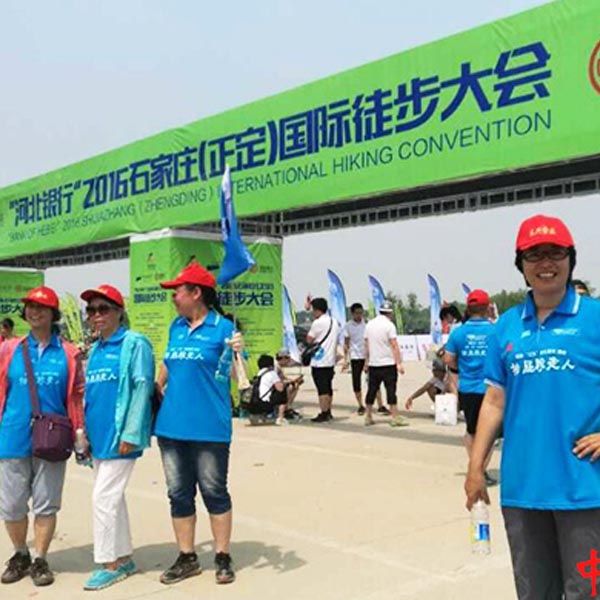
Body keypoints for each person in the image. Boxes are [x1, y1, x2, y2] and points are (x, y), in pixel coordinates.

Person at [465, 214, 600, 599]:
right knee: (534, 592)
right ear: (521, 265)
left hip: (585, 487)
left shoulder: (594, 318)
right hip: (523, 488)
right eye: (534, 255)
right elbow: (494, 402)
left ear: (571, 259)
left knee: (588, 591)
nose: (546, 263)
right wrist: (475, 468)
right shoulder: (507, 326)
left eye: (555, 253)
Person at [154, 262, 243, 586]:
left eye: (177, 291)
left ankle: (222, 556)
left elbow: (238, 377)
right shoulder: (176, 327)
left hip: (209, 428)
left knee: (214, 492)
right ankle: (187, 556)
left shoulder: (224, 329)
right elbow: (168, 362)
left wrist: (237, 353)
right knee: (178, 494)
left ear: (196, 293)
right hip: (171, 427)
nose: (173, 297)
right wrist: (157, 385)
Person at [0, 286, 84, 587]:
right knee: (11, 505)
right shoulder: (9, 350)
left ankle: (40, 559)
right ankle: (20, 553)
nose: (34, 312)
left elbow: (75, 396)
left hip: (52, 438)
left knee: (46, 503)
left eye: (41, 307)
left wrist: (79, 432)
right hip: (12, 436)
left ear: (53, 313)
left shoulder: (69, 353)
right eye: (30, 307)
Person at [80, 285, 155, 591]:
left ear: (119, 312)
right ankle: (124, 558)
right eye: (91, 310)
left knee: (103, 498)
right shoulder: (96, 348)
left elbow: (142, 387)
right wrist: (85, 435)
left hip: (120, 436)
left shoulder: (134, 343)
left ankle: (108, 563)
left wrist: (132, 432)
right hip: (98, 437)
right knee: (113, 498)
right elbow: (91, 395)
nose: (96, 315)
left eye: (103, 309)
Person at [444, 289, 496, 486]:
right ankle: (480, 470)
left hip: (468, 388)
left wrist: (459, 370)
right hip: (492, 390)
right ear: (488, 308)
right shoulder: (496, 331)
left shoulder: (458, 333)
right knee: (491, 433)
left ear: (468, 309)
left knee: (472, 431)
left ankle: (475, 467)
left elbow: (449, 359)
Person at [363, 301, 407, 427]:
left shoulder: (369, 324)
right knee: (391, 390)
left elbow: (366, 345)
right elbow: (394, 345)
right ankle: (394, 417)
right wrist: (399, 363)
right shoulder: (389, 325)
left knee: (371, 390)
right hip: (388, 363)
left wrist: (366, 362)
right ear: (390, 313)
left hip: (374, 364)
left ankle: (368, 416)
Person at [342, 303, 389, 416]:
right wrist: (345, 359)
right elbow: (346, 343)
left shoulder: (367, 324)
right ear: (352, 313)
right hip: (355, 357)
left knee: (374, 382)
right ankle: (360, 405)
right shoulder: (348, 326)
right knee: (356, 382)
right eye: (357, 313)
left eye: (361, 313)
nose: (359, 315)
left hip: (369, 356)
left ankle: (380, 405)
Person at [306, 298, 339, 423]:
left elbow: (309, 339)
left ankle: (323, 412)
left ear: (317, 310)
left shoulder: (318, 323)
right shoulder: (334, 321)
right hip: (330, 360)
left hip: (319, 361)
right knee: (328, 387)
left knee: (321, 388)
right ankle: (328, 411)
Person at [246, 355, 288, 425]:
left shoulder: (260, 373)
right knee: (283, 392)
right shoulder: (272, 373)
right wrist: (286, 384)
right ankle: (280, 417)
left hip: (254, 402)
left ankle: (263, 416)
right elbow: (280, 388)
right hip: (265, 404)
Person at [275, 350, 303, 421]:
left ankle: (288, 407)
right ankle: (286, 409)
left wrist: (295, 380)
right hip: (272, 387)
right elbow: (277, 380)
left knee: (295, 386)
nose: (289, 361)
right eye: (288, 358)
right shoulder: (275, 366)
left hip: (277, 385)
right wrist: (291, 381)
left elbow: (283, 377)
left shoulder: (279, 366)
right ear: (283, 358)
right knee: (289, 388)